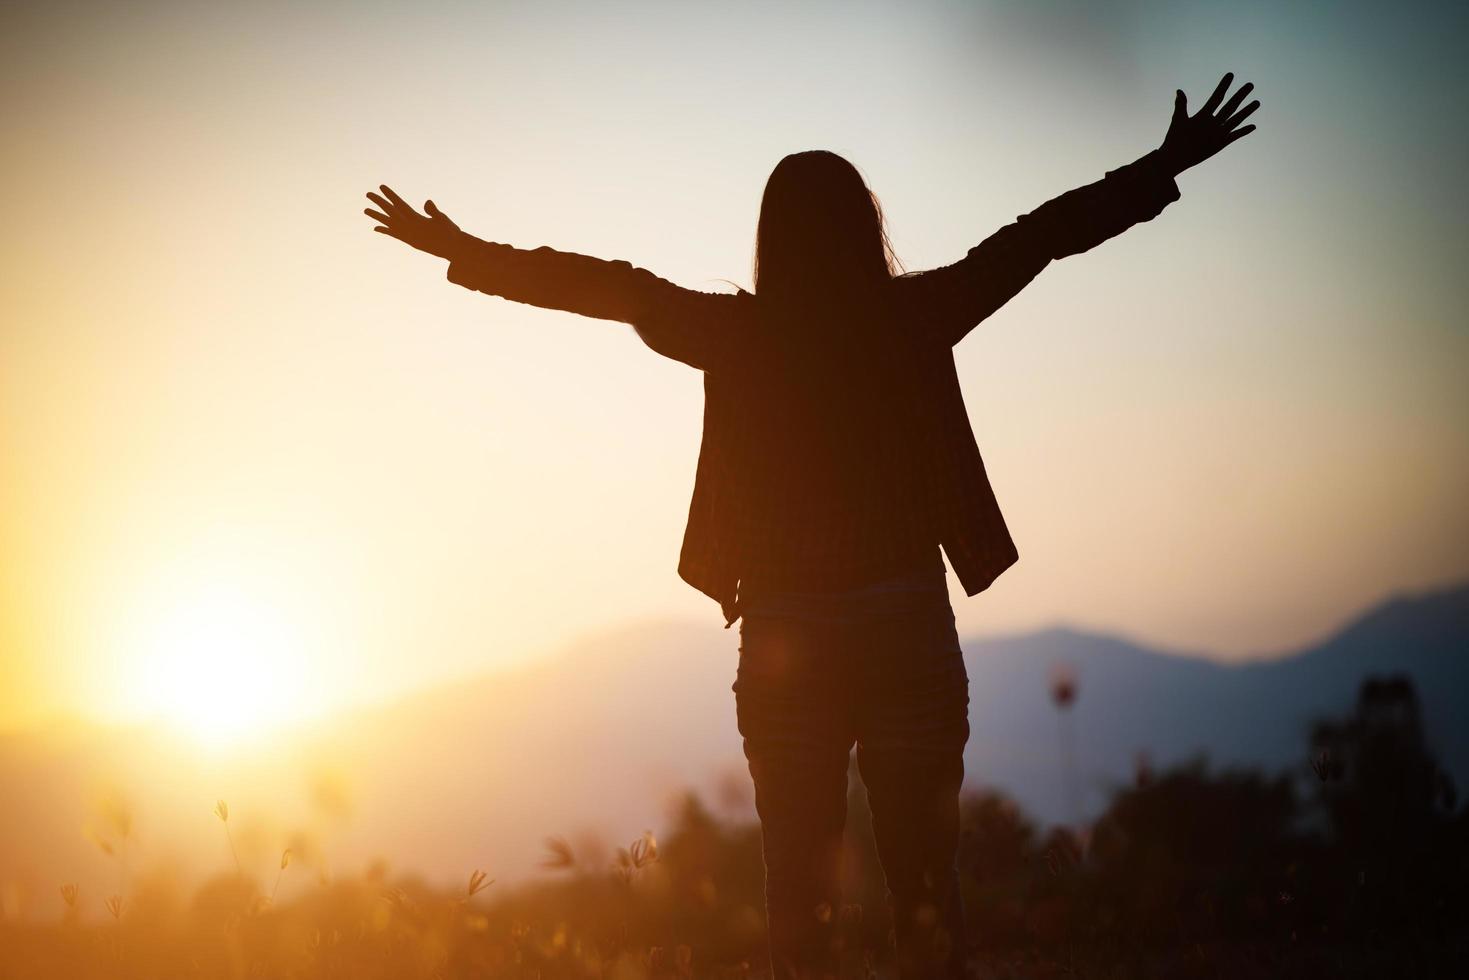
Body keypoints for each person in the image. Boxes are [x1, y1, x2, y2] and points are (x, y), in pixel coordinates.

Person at [364, 72, 1259, 979]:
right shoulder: (917, 316)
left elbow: (610, 288)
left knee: (798, 897)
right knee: (923, 894)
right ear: (864, 227)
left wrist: (465, 250)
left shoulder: (736, 334)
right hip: (906, 621)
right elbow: (1036, 241)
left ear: (771, 239)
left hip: (787, 632)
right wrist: (1161, 166)